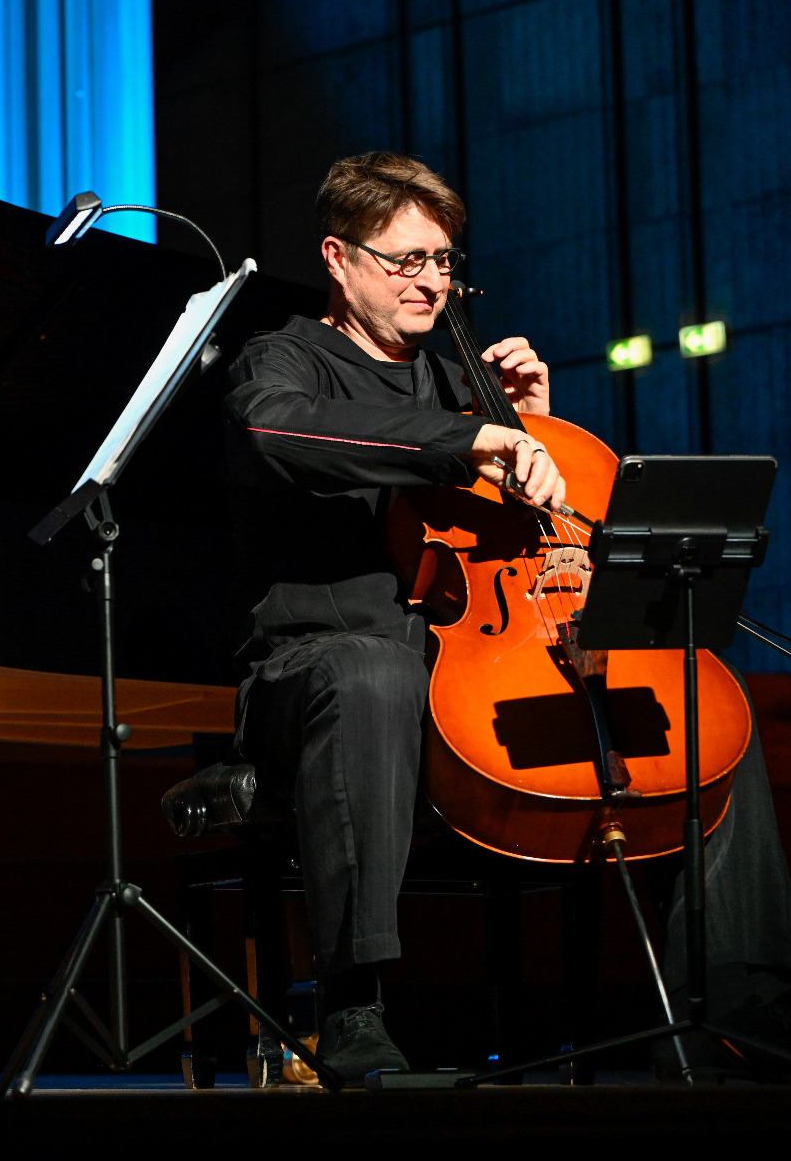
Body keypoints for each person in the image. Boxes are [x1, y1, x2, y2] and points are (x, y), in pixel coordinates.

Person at [223, 152, 791, 1081]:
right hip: (321, 665)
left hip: (480, 660)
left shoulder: (461, 381)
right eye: (405, 260)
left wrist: (531, 426)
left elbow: (537, 551)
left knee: (696, 692)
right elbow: (272, 430)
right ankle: (352, 1004)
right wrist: (468, 438)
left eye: (444, 262)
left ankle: (736, 992)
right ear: (338, 256)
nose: (431, 282)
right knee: (376, 670)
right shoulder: (284, 358)